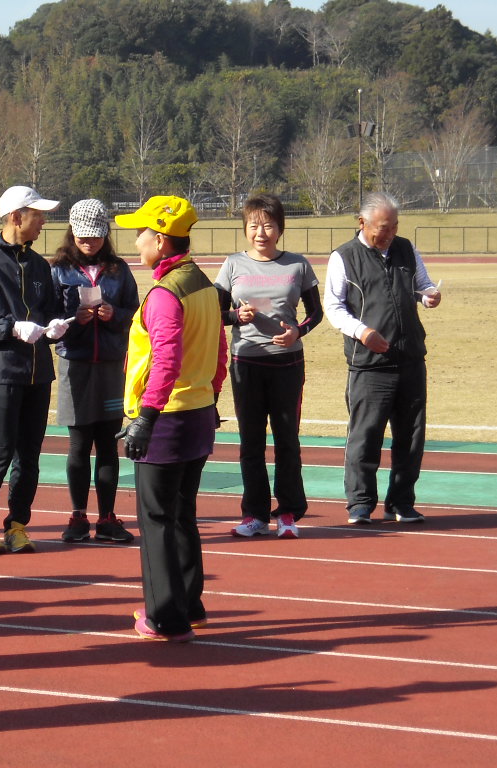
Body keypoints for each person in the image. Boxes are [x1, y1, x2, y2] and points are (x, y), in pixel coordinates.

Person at [114, 195, 227, 642]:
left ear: (160, 240)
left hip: (167, 417)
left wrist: (145, 416)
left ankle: (165, 616)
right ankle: (190, 604)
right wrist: (212, 395)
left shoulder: (165, 294)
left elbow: (165, 360)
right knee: (182, 515)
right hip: (197, 412)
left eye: (140, 234)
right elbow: (220, 352)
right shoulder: (201, 283)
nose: (136, 241)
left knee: (157, 519)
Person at [0, 185, 68, 555]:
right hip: (1, 372)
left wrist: (55, 326)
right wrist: (11, 327)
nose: (43, 222)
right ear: (16, 216)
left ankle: (18, 525)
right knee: (0, 452)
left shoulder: (39, 265)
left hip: (38, 373)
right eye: (37, 215)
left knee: (30, 456)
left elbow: (48, 310)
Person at [324, 191, 442, 525]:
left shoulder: (405, 248)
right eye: (383, 227)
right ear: (362, 223)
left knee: (411, 436)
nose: (389, 234)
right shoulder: (344, 257)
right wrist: (362, 332)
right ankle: (360, 503)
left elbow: (422, 284)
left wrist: (429, 296)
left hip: (410, 359)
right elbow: (333, 306)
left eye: (393, 227)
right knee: (365, 435)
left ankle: (401, 502)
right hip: (369, 365)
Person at [214, 194, 323, 540]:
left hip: (288, 363)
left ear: (280, 228)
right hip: (246, 363)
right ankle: (255, 514)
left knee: (287, 440)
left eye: (268, 224)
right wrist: (235, 316)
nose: (261, 232)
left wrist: (298, 331)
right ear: (245, 228)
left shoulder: (298, 265)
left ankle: (288, 512)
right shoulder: (232, 265)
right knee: (251, 442)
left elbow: (316, 313)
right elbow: (215, 313)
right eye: (253, 225)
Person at [50, 199, 140, 544]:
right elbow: (49, 320)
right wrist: (75, 320)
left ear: (106, 234)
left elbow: (136, 316)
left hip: (111, 367)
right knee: (78, 443)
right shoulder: (57, 270)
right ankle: (77, 516)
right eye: (83, 236)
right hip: (75, 364)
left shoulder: (119, 270)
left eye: (96, 237)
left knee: (107, 443)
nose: (89, 242)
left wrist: (112, 314)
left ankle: (107, 517)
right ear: (72, 232)